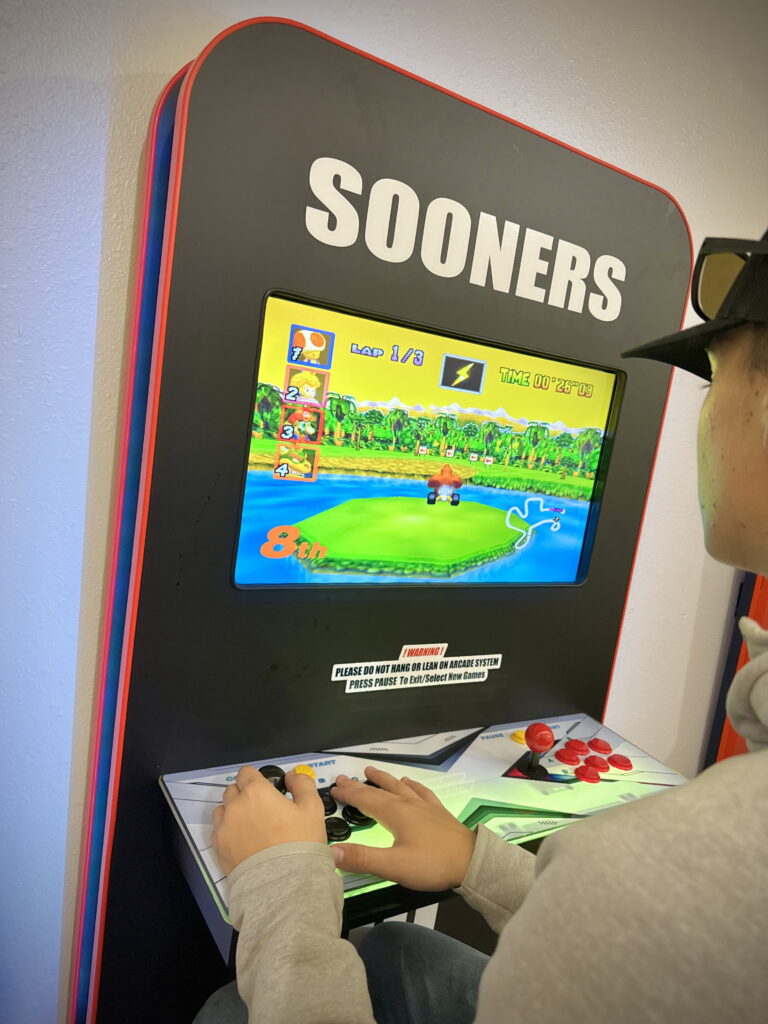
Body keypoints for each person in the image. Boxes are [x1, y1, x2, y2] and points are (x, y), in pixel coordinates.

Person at [195, 231, 768, 1023]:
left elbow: (619, 918)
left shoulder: (637, 873)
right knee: (395, 956)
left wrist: (283, 887)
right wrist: (478, 862)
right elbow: (631, 943)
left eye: (715, 374)